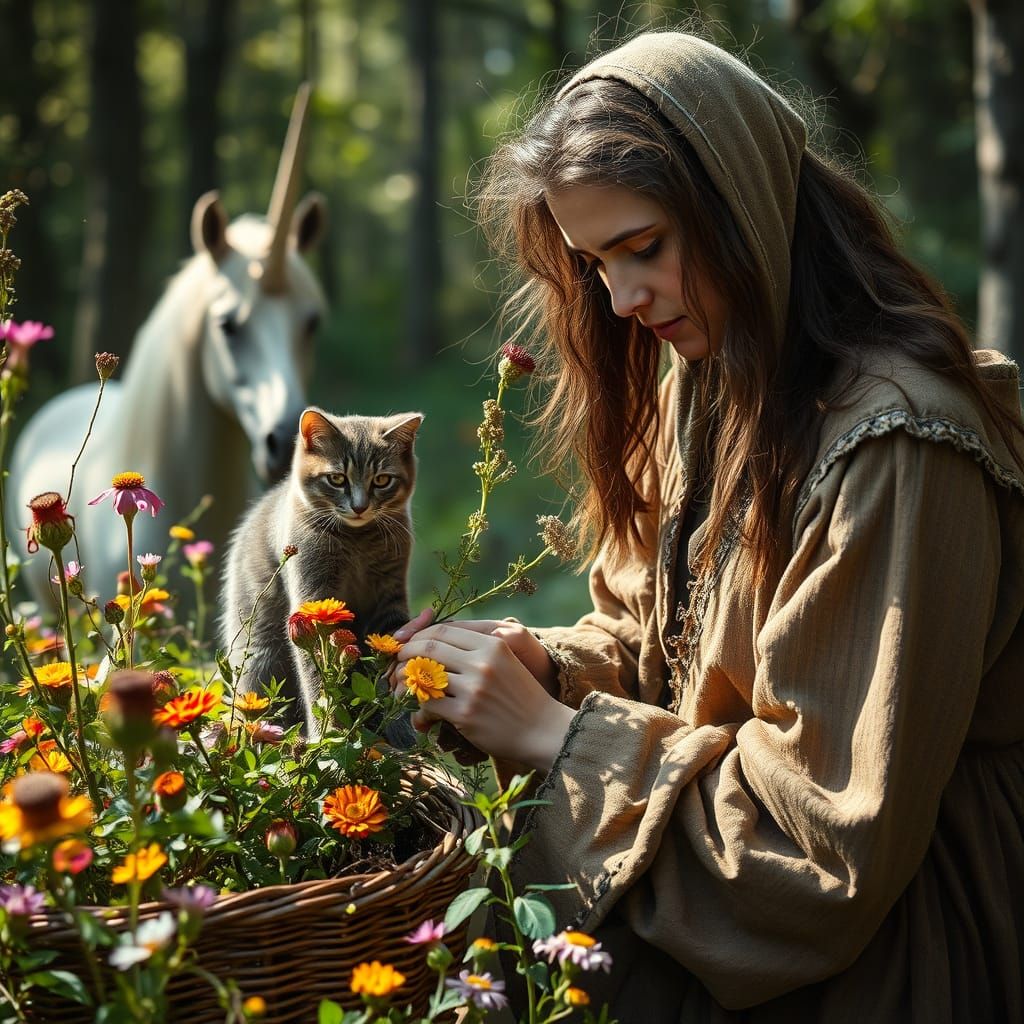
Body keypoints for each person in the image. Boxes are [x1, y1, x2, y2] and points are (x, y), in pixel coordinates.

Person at [393, 30, 1024, 1023]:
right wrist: (544, 669)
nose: (623, 298)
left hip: (875, 960)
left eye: (643, 248)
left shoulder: (899, 441)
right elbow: (658, 642)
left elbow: (826, 854)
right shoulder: (716, 375)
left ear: (740, 199)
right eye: (594, 262)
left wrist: (560, 738)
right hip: (712, 889)